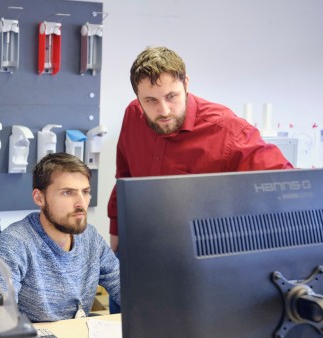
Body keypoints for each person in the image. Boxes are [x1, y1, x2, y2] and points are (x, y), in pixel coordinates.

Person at [107, 46, 294, 252]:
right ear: (138, 98)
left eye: (171, 96)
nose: (164, 110)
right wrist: (116, 231)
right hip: (146, 242)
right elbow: (124, 178)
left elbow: (287, 184)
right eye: (150, 101)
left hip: (204, 252)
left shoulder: (227, 132)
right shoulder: (133, 114)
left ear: (186, 84)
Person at [0, 153, 120, 323]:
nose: (81, 203)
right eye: (67, 193)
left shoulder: (91, 237)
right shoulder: (14, 244)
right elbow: (0, 317)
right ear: (39, 198)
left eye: (86, 192)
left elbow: (125, 289)